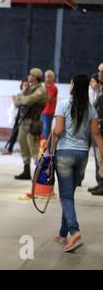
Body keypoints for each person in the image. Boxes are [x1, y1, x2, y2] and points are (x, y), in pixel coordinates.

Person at [52, 74, 103, 252]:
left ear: (74, 86)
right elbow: (96, 134)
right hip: (82, 156)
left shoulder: (63, 104)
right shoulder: (90, 108)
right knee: (69, 195)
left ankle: (74, 231)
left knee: (65, 196)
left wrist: (51, 146)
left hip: (64, 154)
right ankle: (62, 233)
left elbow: (58, 131)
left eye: (71, 82)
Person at [13, 68, 47, 180]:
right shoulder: (29, 89)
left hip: (33, 123)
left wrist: (21, 98)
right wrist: (23, 93)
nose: (28, 77)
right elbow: (16, 102)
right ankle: (26, 171)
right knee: (23, 147)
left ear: (35, 76)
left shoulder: (41, 90)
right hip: (24, 122)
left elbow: (28, 101)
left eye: (31, 75)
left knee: (34, 149)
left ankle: (42, 174)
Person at [2, 79, 29, 155]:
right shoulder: (20, 95)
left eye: (27, 85)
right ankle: (10, 149)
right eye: (24, 85)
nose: (25, 87)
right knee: (14, 133)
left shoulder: (30, 96)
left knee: (25, 136)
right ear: (22, 86)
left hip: (27, 117)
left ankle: (26, 151)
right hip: (18, 116)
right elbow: (17, 105)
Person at [89, 67, 103, 195]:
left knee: (101, 157)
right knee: (99, 158)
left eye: (101, 73)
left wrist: (98, 123)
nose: (100, 75)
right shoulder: (99, 92)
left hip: (101, 129)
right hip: (97, 129)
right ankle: (100, 183)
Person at [41, 70, 58, 141]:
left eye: (48, 77)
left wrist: (44, 88)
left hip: (49, 112)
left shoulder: (54, 88)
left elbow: (49, 99)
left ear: (52, 77)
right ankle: (42, 149)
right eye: (45, 77)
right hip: (42, 111)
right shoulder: (45, 87)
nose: (46, 79)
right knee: (42, 131)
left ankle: (49, 149)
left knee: (46, 131)